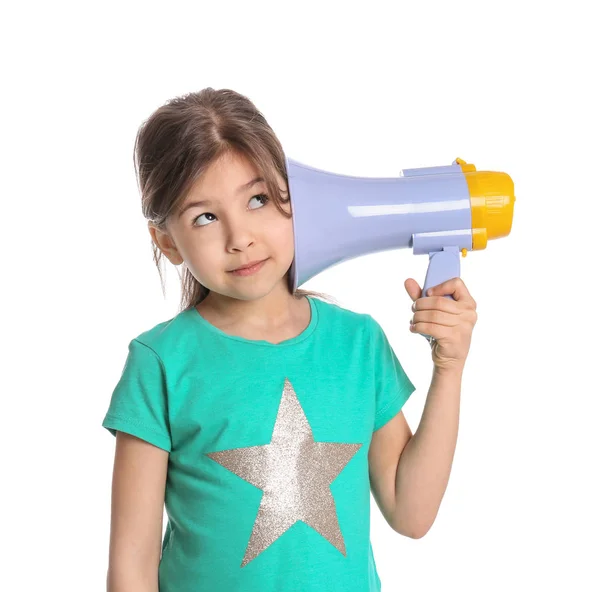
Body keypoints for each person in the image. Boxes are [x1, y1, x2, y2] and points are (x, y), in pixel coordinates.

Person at [102, 87, 478, 592]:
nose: (240, 237)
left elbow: (411, 512)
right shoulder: (161, 363)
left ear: (294, 198)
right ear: (167, 241)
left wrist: (449, 369)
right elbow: (132, 565)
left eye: (257, 199)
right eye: (205, 217)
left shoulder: (357, 343)